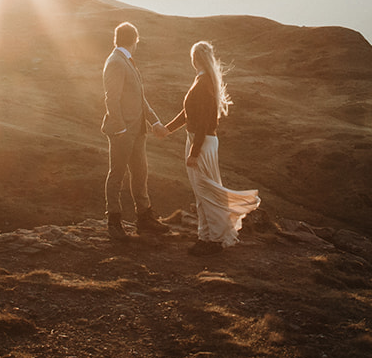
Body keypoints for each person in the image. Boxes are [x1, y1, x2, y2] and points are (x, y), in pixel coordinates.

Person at [162, 41, 260, 255]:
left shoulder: (203, 82)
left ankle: (214, 240)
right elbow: (188, 114)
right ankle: (204, 236)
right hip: (200, 140)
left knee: (207, 193)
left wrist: (194, 152)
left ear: (194, 58)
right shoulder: (203, 80)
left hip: (202, 142)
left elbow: (204, 122)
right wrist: (167, 130)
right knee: (202, 192)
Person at [100, 22, 169, 240]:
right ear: (134, 40)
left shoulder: (125, 61)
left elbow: (139, 98)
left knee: (140, 173)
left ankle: (144, 218)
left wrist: (154, 122)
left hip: (137, 131)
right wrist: (120, 128)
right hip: (123, 131)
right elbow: (111, 98)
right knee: (117, 175)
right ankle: (114, 221)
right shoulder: (116, 63)